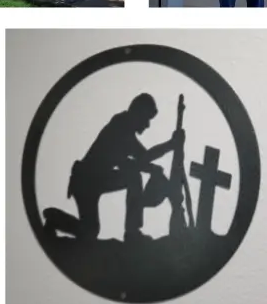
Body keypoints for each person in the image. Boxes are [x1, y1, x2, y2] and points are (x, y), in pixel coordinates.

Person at [60, 94, 184, 242]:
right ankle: (132, 231)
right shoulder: (120, 127)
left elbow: (137, 160)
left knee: (90, 230)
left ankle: (54, 218)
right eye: (147, 119)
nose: (147, 125)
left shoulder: (124, 127)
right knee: (133, 177)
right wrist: (170, 145)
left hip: (94, 180)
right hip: (87, 181)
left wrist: (154, 166)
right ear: (138, 113)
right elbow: (142, 157)